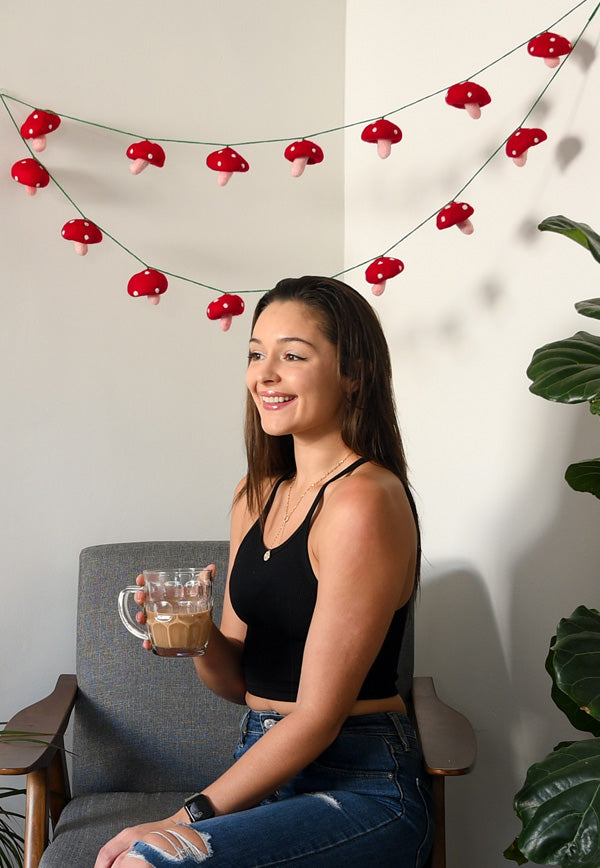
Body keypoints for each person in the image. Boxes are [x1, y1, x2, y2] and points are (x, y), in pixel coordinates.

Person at [95, 275, 433, 868]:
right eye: (255, 354)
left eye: (292, 355)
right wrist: (197, 636)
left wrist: (179, 819)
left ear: (353, 373)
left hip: (361, 782)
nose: (264, 374)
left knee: (144, 861)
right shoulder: (254, 496)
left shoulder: (364, 501)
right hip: (263, 765)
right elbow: (236, 684)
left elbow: (319, 719)